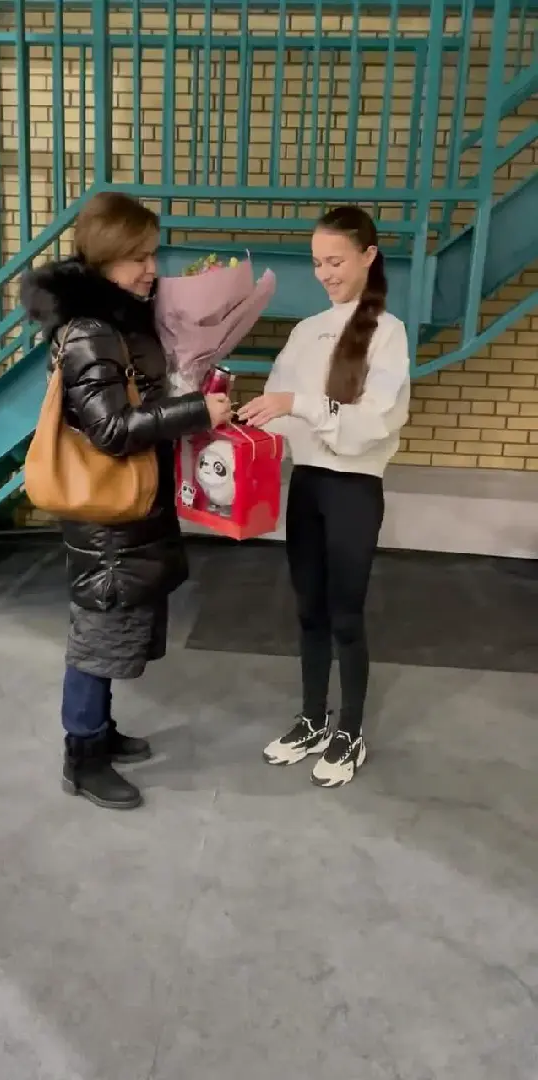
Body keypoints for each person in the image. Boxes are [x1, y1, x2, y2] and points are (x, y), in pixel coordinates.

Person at [21, 192, 232, 810]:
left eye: (153, 254)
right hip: (107, 518)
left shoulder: (116, 323)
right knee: (98, 635)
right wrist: (195, 411)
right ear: (106, 256)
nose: (151, 269)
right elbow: (111, 430)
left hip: (129, 511)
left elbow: (138, 399)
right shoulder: (90, 331)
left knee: (114, 630)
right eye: (138, 257)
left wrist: (194, 390)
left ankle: (101, 731)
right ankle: (82, 755)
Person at [239, 205, 410, 789]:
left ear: (368, 256)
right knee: (309, 609)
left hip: (353, 489)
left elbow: (375, 421)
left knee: (345, 615)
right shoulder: (305, 331)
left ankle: (350, 731)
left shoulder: (387, 333)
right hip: (307, 484)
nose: (325, 274)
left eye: (335, 261)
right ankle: (313, 720)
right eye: (317, 263)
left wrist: (300, 405)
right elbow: (276, 405)